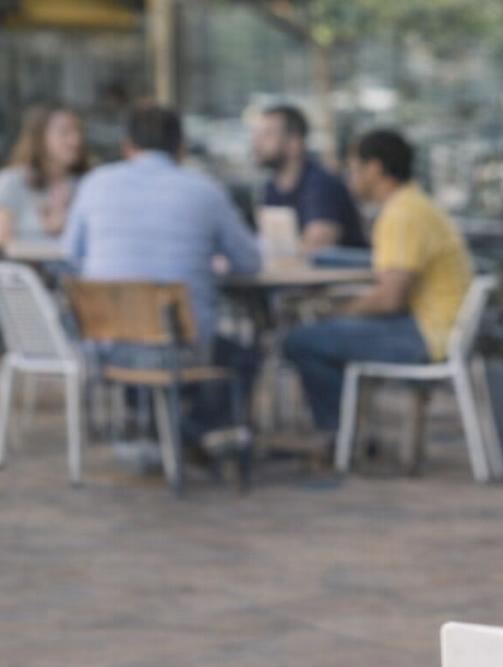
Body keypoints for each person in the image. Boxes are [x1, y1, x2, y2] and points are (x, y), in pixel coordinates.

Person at [63, 104, 262, 449]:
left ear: (127, 146)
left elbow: (71, 256)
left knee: (150, 345)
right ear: (180, 148)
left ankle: (159, 430)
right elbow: (249, 262)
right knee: (246, 355)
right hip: (179, 349)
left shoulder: (95, 184)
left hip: (106, 348)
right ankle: (191, 432)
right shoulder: (205, 190)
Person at [282, 128, 471, 438]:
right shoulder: (414, 204)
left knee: (301, 341)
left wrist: (339, 311)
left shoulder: (401, 214)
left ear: (374, 168)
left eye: (353, 167)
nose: (349, 176)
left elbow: (390, 299)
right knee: (322, 335)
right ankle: (349, 429)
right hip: (438, 328)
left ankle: (340, 434)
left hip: (425, 335)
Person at [251, 104, 368, 253]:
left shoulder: (321, 184)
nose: (257, 143)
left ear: (295, 142)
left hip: (340, 275)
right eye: (256, 135)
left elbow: (317, 246)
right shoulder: (270, 188)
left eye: (267, 135)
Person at [0, 104, 89, 247]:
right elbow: (3, 240)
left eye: (78, 132)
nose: (75, 141)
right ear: (40, 137)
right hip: (22, 268)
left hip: (74, 268)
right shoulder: (12, 182)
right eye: (64, 132)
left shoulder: (87, 184)